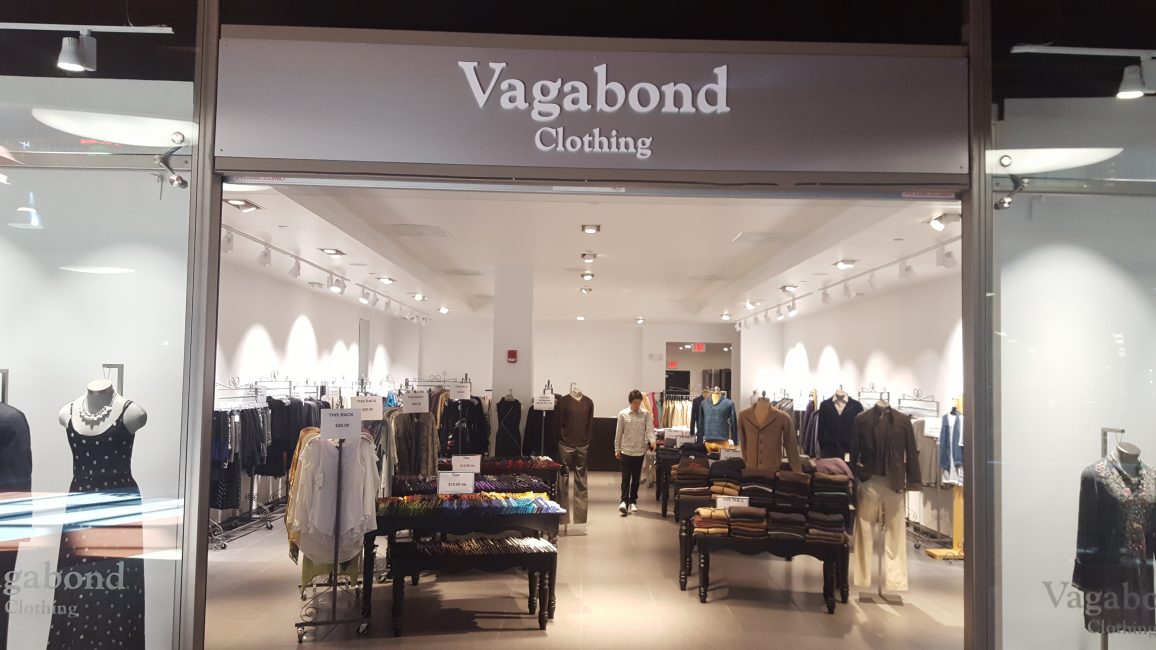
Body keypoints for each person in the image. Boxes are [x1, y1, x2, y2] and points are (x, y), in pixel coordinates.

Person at [615, 389, 656, 515]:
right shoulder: (622, 414)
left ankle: (633, 501)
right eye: (635, 403)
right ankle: (623, 501)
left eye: (639, 403)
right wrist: (617, 448)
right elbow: (618, 433)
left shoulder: (645, 414)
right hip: (626, 450)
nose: (637, 405)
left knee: (636, 478)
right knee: (625, 477)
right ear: (630, 402)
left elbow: (650, 429)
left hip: (639, 451)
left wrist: (653, 441)